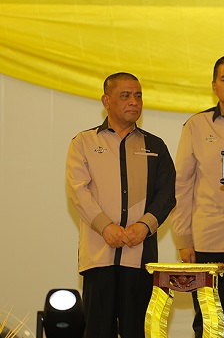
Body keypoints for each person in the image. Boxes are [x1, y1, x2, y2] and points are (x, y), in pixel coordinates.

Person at [66, 72, 176, 337]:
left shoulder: (155, 145)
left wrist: (144, 226)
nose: (133, 102)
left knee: (136, 331)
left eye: (138, 95)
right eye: (125, 95)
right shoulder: (83, 142)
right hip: (98, 256)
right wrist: (106, 227)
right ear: (106, 101)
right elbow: (78, 191)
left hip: (139, 255)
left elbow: (167, 193)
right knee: (98, 331)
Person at [171, 55, 224, 338]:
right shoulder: (196, 125)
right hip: (208, 241)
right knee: (208, 322)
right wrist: (184, 239)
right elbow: (182, 184)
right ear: (214, 86)